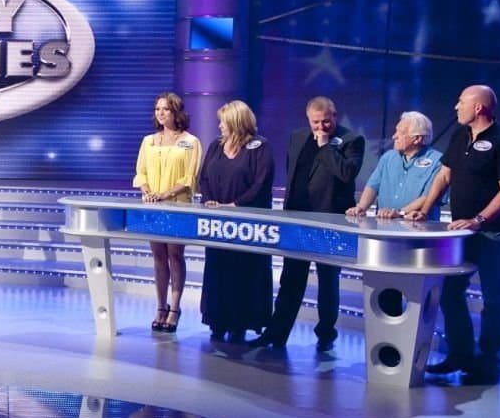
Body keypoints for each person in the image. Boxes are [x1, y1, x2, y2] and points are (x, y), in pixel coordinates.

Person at [407, 85, 500, 385]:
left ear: (478, 107)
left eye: (461, 102)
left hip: (495, 233)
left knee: (494, 300)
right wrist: (425, 208)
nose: (456, 107)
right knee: (450, 292)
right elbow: (444, 175)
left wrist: (479, 220)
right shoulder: (460, 135)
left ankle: (488, 363)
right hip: (461, 232)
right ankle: (460, 354)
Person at [250, 97, 364, 352]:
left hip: (329, 224)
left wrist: (325, 147)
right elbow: (293, 175)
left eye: (326, 122)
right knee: (291, 279)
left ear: (335, 116)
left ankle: (326, 334)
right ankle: (276, 334)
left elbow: (347, 173)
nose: (321, 127)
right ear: (308, 119)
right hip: (297, 221)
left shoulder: (351, 140)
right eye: (316, 122)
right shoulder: (298, 137)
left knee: (328, 281)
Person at [196, 100, 275, 344]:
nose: (220, 126)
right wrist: (210, 201)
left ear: (236, 122)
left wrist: (236, 205)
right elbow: (204, 178)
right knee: (218, 268)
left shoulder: (259, 147)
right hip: (218, 222)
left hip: (248, 223)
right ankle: (217, 320)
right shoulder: (216, 146)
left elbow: (261, 183)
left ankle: (241, 322)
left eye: (223, 122)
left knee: (244, 271)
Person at [132, 92, 201, 333]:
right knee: (158, 256)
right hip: (153, 206)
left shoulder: (190, 142)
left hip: (177, 206)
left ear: (176, 112)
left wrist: (166, 194)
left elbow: (189, 178)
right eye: (157, 109)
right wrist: (148, 191)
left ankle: (175, 308)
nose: (160, 113)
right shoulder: (149, 141)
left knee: (175, 255)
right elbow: (141, 172)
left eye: (166, 109)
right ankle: (160, 307)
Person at [346, 111, 443, 219]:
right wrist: (361, 207)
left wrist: (400, 213)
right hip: (384, 223)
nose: (394, 136)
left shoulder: (437, 161)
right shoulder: (388, 157)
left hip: (418, 225)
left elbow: (429, 196)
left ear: (417, 139)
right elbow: (372, 186)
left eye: (400, 133)